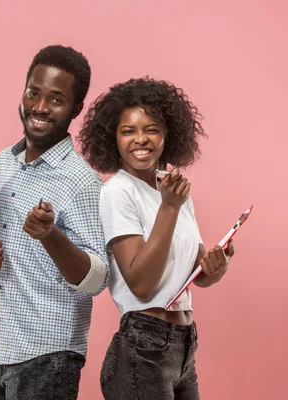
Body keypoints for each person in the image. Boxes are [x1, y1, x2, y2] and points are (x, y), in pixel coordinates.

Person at [0, 45, 108, 400]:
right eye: (34, 93)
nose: (40, 107)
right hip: (0, 348)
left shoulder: (82, 182)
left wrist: (50, 235)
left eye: (56, 99)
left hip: (49, 357)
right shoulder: (4, 163)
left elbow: (98, 279)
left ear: (76, 109)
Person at [79, 77, 236, 399]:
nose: (141, 140)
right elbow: (141, 283)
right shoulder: (117, 193)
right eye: (128, 131)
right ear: (113, 139)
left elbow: (198, 275)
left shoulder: (173, 192)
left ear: (168, 135)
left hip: (183, 345)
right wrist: (169, 208)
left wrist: (218, 265)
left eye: (151, 129)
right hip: (142, 348)